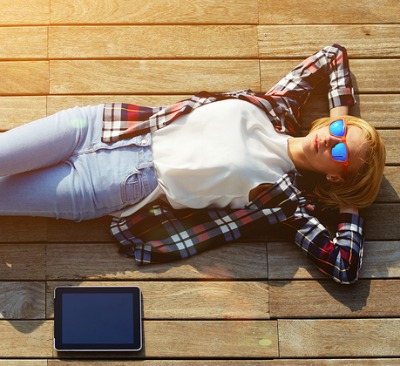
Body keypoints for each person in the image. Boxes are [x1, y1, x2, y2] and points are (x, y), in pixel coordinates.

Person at [0, 44, 386, 284]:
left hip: (113, 185)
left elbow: (344, 267)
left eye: (340, 153)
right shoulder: (279, 106)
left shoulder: (286, 201)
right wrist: (345, 116)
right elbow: (333, 55)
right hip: (102, 126)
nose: (330, 139)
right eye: (337, 130)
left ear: (336, 174)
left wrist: (349, 200)